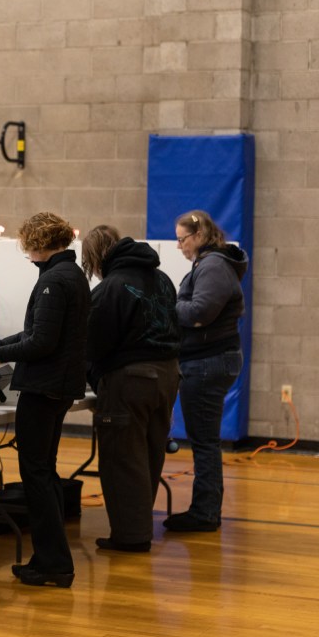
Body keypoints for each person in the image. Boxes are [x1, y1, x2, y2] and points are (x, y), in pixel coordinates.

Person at [0, 212, 89, 588]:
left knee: (37, 475)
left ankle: (52, 563)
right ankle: (52, 560)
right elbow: (37, 331)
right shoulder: (71, 275)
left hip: (44, 388)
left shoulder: (53, 281)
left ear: (38, 243)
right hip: (58, 387)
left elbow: (41, 342)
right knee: (43, 473)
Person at [81, 225, 181, 552]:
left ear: (97, 257)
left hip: (130, 380)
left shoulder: (111, 287)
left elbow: (93, 344)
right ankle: (138, 528)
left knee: (123, 458)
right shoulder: (162, 278)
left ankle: (130, 536)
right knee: (150, 455)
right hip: (168, 375)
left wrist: (94, 377)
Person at [164, 210, 247, 533]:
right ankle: (206, 510)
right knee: (205, 440)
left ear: (198, 236)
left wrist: (169, 304)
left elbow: (200, 312)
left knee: (204, 442)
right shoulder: (211, 263)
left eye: (181, 239)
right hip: (210, 360)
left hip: (208, 362)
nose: (179, 246)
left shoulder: (213, 265)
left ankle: (205, 512)